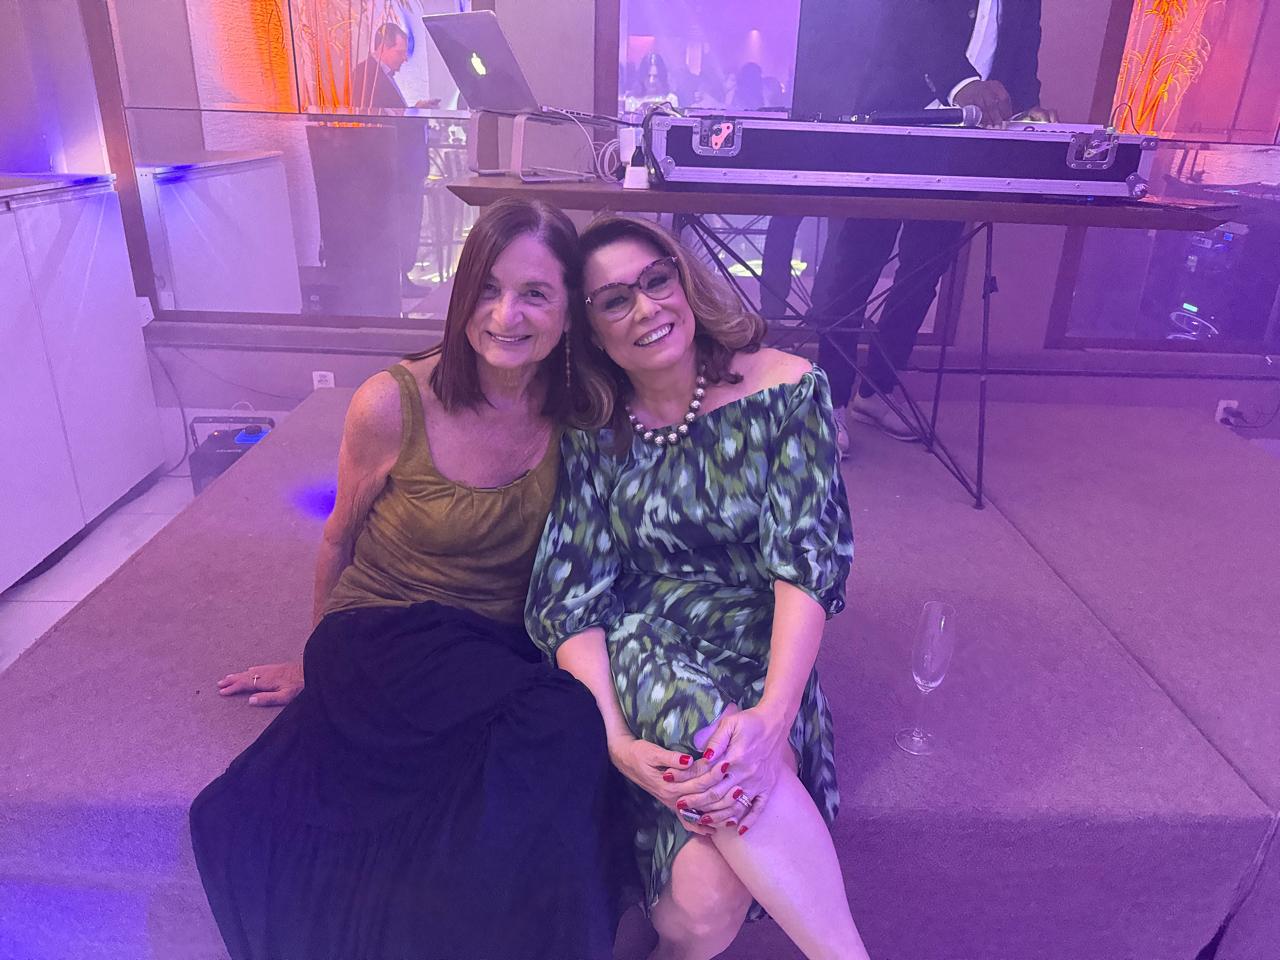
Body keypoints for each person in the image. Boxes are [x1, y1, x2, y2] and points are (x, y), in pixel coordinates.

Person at [189, 198, 630, 960]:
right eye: (487, 290)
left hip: (495, 646)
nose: (505, 316)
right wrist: (313, 657)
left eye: (534, 293)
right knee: (563, 722)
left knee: (561, 738)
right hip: (382, 631)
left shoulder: (583, 413)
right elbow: (339, 535)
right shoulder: (392, 403)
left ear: (569, 311)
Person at [527, 215, 871, 960]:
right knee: (713, 743)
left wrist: (774, 716)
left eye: (657, 280)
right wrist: (615, 740)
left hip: (760, 647)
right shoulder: (593, 430)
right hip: (646, 645)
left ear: (685, 282)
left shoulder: (787, 390)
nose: (646, 308)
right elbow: (573, 598)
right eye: (615, 300)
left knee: (705, 906)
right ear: (592, 331)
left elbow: (807, 563)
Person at [811, 0, 1057, 454]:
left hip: (965, 142)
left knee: (924, 272)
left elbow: (1023, 56)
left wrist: (1029, 109)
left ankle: (877, 390)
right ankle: (830, 401)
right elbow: (917, 22)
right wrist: (963, 84)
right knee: (856, 270)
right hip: (892, 126)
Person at [351, 22, 437, 298]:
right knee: (397, 224)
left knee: (405, 223)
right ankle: (395, 281)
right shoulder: (367, 76)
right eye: (400, 52)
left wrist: (413, 110)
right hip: (390, 169)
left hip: (400, 167)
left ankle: (400, 277)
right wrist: (412, 114)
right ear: (383, 48)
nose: (404, 59)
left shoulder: (381, 76)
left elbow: (391, 116)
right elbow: (378, 122)